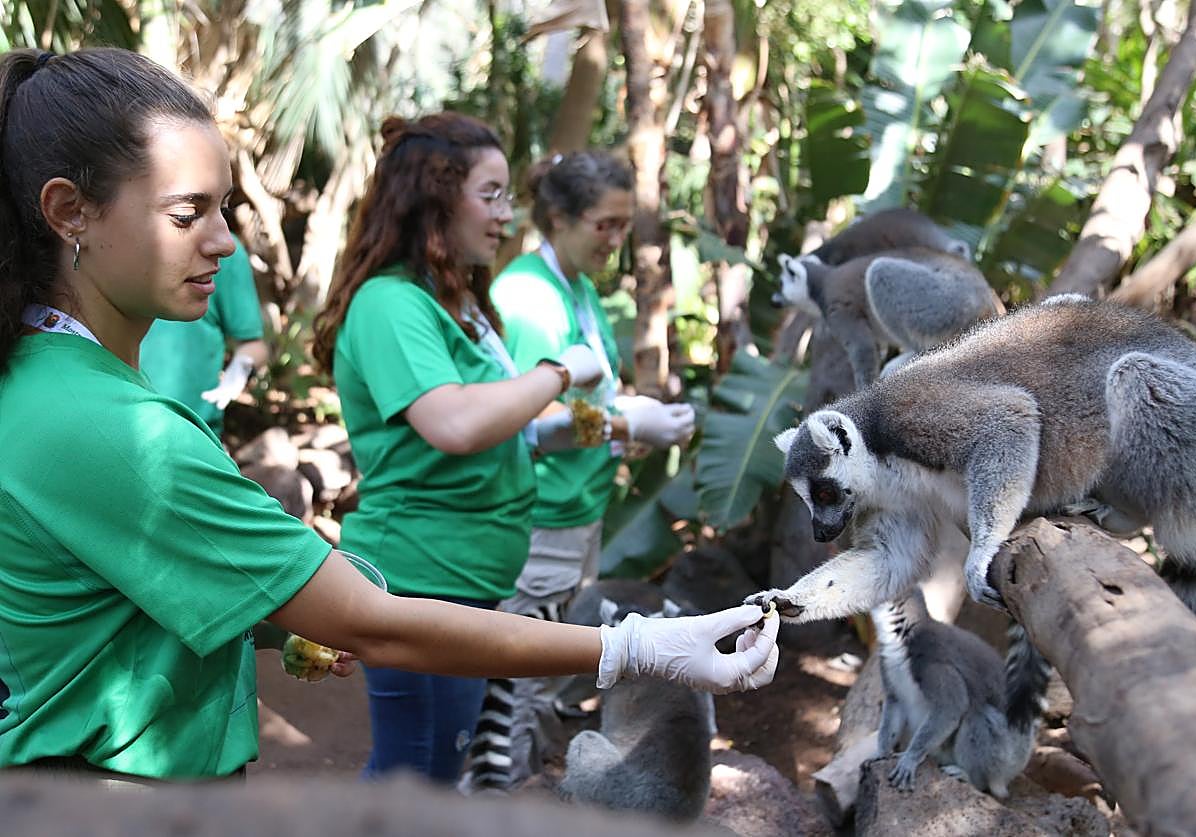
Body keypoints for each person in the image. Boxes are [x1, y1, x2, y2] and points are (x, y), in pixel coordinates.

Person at [0, 48, 778, 785]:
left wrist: (273, 618)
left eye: (225, 207)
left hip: (457, 574)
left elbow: (106, 592)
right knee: (419, 779)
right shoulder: (112, 425)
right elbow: (434, 474)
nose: (227, 242)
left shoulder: (57, 383)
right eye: (187, 213)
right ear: (71, 212)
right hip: (121, 790)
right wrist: (639, 646)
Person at [461, 150, 695, 792]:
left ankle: (516, 793)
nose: (618, 241)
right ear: (559, 218)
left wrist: (625, 425)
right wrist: (626, 424)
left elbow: (579, 405)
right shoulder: (528, 297)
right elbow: (529, 423)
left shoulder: (579, 288)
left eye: (624, 226)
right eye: (606, 225)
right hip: (540, 522)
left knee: (540, 685)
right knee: (511, 691)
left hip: (577, 516)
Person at [138, 234, 269, 434]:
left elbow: (254, 344)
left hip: (195, 431)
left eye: (224, 208)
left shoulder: (224, 254)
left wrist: (241, 368)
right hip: (117, 427)